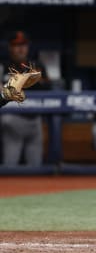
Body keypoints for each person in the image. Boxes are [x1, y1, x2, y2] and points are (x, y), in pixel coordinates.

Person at [1, 31, 49, 166]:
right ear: (10, 47)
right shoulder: (3, 66)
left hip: (34, 120)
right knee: (10, 165)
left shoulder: (37, 66)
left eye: (23, 44)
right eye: (17, 45)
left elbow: (48, 90)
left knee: (35, 166)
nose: (21, 48)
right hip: (12, 119)